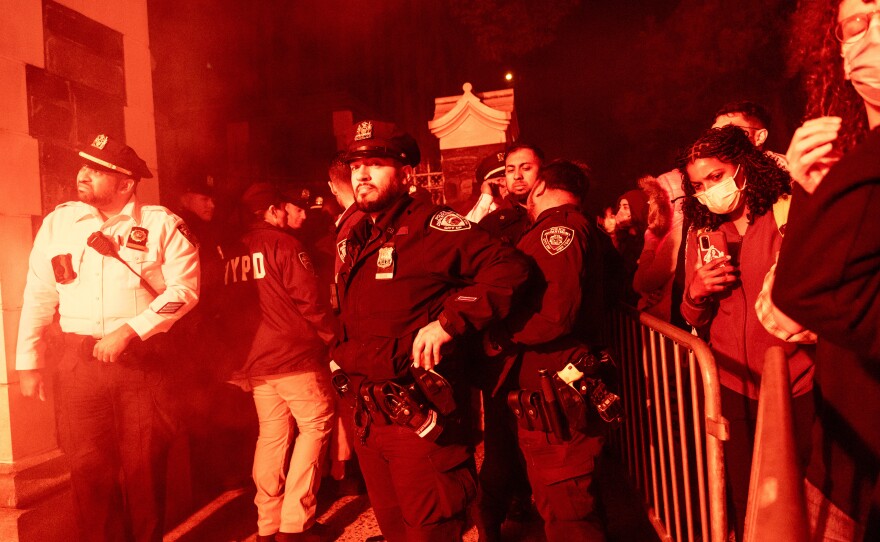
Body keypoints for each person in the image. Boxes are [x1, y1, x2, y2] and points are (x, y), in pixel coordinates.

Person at [333, 120, 529, 541]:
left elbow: (509, 269)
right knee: (394, 531)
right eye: (355, 166)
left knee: (431, 533)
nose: (361, 175)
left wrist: (449, 321)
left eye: (376, 164)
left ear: (406, 175)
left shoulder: (431, 225)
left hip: (417, 419)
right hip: (370, 417)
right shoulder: (360, 236)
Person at [15, 133, 200, 542]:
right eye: (83, 166)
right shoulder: (60, 223)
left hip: (141, 366)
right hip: (79, 365)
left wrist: (131, 330)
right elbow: (39, 292)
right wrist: (28, 362)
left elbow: (184, 292)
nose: (83, 174)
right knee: (87, 471)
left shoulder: (161, 224)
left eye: (97, 170)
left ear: (126, 184)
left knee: (143, 471)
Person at [677, 125, 815, 541]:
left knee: (801, 497)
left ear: (744, 167)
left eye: (716, 177)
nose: (708, 191)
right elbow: (692, 317)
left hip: (796, 382)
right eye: (698, 184)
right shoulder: (701, 236)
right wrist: (697, 292)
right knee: (744, 494)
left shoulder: (786, 216)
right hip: (732, 385)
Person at [773, 1, 880, 538]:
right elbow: (783, 307)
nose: (872, 32)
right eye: (856, 22)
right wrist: (810, 191)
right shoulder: (847, 159)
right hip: (839, 458)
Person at [485, 159, 609, 541]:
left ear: (539, 188)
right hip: (551, 385)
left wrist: (500, 336)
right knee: (558, 501)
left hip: (554, 384)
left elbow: (554, 315)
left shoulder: (558, 229)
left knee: (567, 511)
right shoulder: (579, 225)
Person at [223, 182, 337, 542]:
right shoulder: (285, 244)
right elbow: (309, 301)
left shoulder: (234, 251)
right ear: (273, 211)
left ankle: (267, 525)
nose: (296, 215)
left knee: (271, 436)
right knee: (315, 426)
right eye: (288, 209)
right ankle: (295, 523)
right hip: (295, 357)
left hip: (257, 361)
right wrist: (335, 341)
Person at [469, 143, 544, 247]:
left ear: (543, 171)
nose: (517, 176)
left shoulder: (560, 211)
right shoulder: (490, 225)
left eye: (526, 168)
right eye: (510, 170)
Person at [632, 175, 682, 322]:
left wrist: (649, 246)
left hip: (669, 323)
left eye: (654, 197)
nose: (650, 202)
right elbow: (637, 284)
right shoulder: (668, 232)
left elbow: (644, 282)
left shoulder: (678, 233)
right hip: (662, 319)